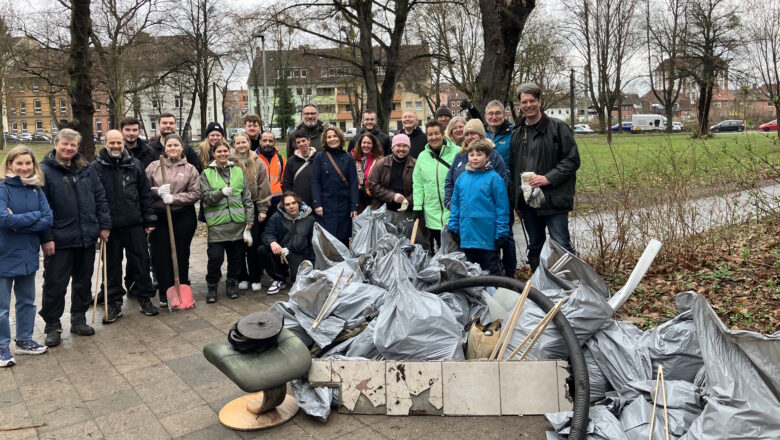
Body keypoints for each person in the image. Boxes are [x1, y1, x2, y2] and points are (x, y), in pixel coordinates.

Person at [39, 129, 111, 347]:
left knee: (83, 282)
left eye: (73, 145)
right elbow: (41, 208)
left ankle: (78, 319)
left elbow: (100, 197)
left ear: (78, 147)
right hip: (58, 240)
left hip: (86, 237)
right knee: (55, 285)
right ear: (56, 144)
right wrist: (46, 238)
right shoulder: (44, 171)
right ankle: (52, 325)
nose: (69, 148)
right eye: (65, 144)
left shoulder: (86, 169)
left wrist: (104, 225)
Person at [509, 83, 580, 271]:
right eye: (524, 102)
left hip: (554, 199)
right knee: (535, 247)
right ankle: (540, 289)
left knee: (561, 246)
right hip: (528, 202)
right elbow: (513, 169)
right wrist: (517, 202)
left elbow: (572, 160)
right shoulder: (517, 133)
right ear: (519, 105)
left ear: (540, 101)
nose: (528, 105)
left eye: (532, 100)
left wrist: (547, 178)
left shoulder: (558, 128)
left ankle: (569, 288)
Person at [92, 130, 159, 321]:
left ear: (123, 143)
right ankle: (113, 302)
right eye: (111, 143)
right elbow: (94, 198)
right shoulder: (96, 167)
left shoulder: (134, 164)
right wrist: (99, 225)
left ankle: (144, 298)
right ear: (105, 143)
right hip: (109, 227)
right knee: (111, 266)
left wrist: (149, 220)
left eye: (118, 143)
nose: (115, 146)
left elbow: (145, 194)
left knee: (141, 262)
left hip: (134, 223)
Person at [0, 146, 53, 366]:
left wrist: (19, 223)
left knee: (27, 301)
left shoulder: (35, 189)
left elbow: (47, 218)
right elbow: (4, 219)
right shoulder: (2, 189)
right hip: (4, 254)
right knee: (2, 307)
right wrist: (33, 217)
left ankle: (24, 339)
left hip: (28, 254)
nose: (24, 167)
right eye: (19, 163)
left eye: (28, 163)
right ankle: (2, 345)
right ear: (9, 164)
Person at [445, 118, 516, 276]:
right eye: (471, 154)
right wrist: (454, 227)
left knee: (491, 271)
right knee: (471, 272)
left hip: (487, 236)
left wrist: (501, 233)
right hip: (467, 235)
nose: (475, 158)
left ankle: (498, 298)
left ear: (487, 156)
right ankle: (477, 300)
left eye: (479, 154)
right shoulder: (462, 178)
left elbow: (502, 208)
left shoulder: (494, 179)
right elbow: (456, 204)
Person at [145, 134, 201, 306]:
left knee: (181, 252)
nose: (173, 148)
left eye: (176, 145)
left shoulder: (190, 168)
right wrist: (157, 191)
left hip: (183, 215)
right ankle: (165, 290)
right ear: (165, 148)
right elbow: (143, 189)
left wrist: (174, 198)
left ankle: (181, 286)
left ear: (182, 148)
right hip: (160, 215)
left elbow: (196, 193)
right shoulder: (154, 167)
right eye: (169, 146)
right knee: (161, 253)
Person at [200, 142, 254, 303]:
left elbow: (247, 198)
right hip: (217, 224)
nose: (223, 154)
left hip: (237, 223)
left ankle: (232, 284)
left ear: (229, 152)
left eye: (225, 151)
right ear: (214, 153)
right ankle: (212, 286)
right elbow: (206, 197)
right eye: (219, 151)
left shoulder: (237, 171)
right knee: (215, 258)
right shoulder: (206, 174)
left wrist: (249, 220)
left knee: (236, 258)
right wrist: (221, 193)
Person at [231, 132, 271, 292]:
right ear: (234, 145)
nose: (241, 145)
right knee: (237, 243)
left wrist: (262, 209)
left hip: (252, 206)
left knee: (252, 243)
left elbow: (263, 186)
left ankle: (255, 276)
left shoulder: (258, 162)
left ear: (249, 143)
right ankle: (241, 276)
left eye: (244, 142)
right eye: (238, 143)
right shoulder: (229, 161)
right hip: (234, 207)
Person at [412, 120, 459, 250]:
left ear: (443, 134)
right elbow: (418, 184)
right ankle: (441, 270)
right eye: (430, 134)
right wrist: (417, 206)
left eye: (436, 133)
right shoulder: (422, 156)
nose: (433, 137)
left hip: (452, 211)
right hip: (432, 212)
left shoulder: (458, 152)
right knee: (440, 247)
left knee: (454, 248)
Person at [258, 191, 316, 294]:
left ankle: (294, 274)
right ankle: (279, 279)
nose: (291, 206)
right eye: (287, 204)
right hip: (281, 252)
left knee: (295, 278)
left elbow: (314, 245)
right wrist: (272, 242)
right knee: (262, 250)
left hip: (300, 255)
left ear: (299, 203)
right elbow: (267, 234)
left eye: (294, 203)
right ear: (283, 206)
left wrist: (312, 265)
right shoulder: (277, 217)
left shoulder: (310, 219)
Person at [444, 119, 508, 209]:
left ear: (481, 136)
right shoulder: (460, 156)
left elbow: (502, 185)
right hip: (462, 213)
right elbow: (449, 181)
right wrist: (450, 203)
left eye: (473, 133)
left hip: (486, 213)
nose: (469, 137)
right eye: (467, 134)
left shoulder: (493, 156)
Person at [311, 126, 359, 246]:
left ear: (340, 138)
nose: (332, 139)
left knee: (343, 240)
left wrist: (354, 207)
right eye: (329, 137)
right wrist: (317, 204)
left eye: (335, 136)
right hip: (326, 206)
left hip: (344, 206)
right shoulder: (319, 157)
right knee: (327, 240)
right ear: (325, 140)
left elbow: (353, 184)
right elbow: (315, 182)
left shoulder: (348, 158)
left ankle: (343, 264)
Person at [368, 133, 415, 211]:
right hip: (382, 209)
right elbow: (372, 186)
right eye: (398, 145)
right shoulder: (382, 163)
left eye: (405, 146)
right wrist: (392, 196)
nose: (401, 149)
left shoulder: (416, 165)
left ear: (409, 148)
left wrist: (408, 201)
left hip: (408, 211)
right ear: (392, 148)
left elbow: (421, 189)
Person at [282, 129, 317, 207]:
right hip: (299, 202)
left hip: (317, 201)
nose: (301, 144)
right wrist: (292, 201)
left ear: (309, 140)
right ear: (296, 144)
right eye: (298, 142)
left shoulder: (318, 158)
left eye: (303, 141)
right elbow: (287, 183)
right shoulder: (291, 161)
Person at [351, 132, 383, 212]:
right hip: (355, 199)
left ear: (373, 145)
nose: (366, 145)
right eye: (364, 142)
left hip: (371, 200)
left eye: (369, 143)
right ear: (360, 144)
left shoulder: (379, 160)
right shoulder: (352, 158)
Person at [257, 131, 286, 210]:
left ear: (274, 142)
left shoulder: (281, 159)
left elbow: (285, 181)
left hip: (277, 200)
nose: (267, 143)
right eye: (264, 140)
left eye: (270, 141)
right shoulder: (254, 158)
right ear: (260, 142)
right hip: (259, 200)